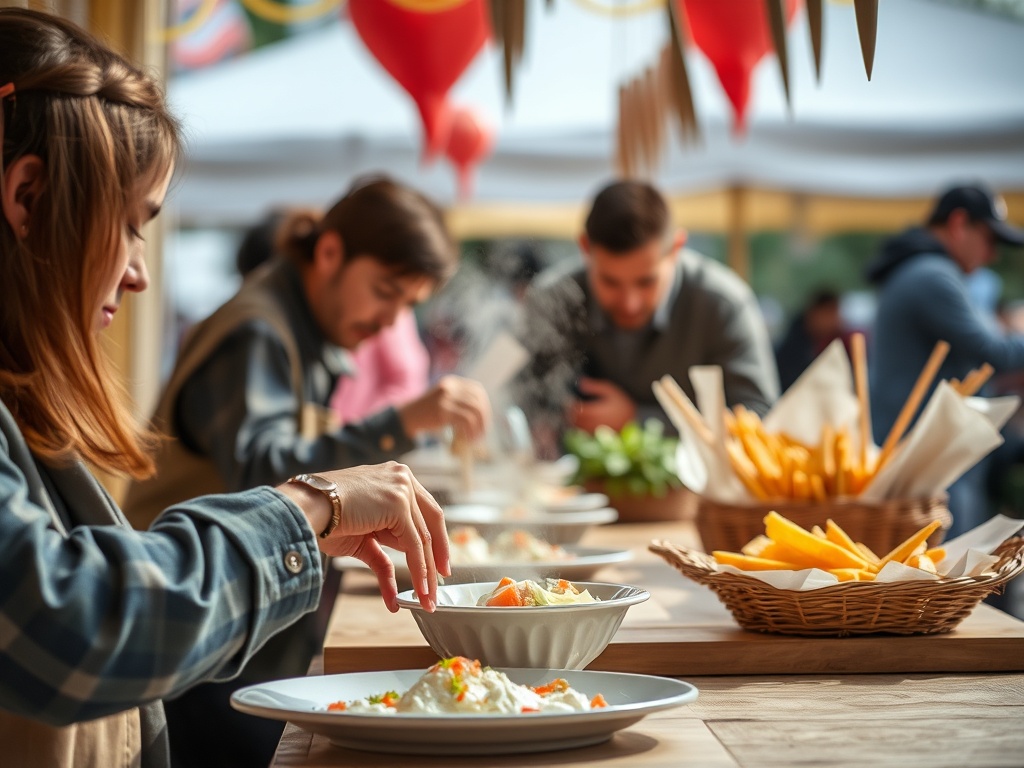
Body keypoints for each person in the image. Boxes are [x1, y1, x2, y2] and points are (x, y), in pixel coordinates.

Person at [0, 8, 447, 768]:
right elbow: (74, 619)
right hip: (198, 669)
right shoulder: (258, 330)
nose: (138, 271)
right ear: (29, 197)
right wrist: (316, 501)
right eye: (132, 223)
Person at [122, 175, 489, 766]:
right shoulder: (257, 331)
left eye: (406, 305)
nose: (389, 319)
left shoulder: (294, 324)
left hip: (222, 624)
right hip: (184, 637)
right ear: (329, 252)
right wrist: (400, 422)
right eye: (384, 291)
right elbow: (263, 472)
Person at [514, 179, 778, 454]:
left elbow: (760, 418)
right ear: (584, 247)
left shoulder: (723, 304)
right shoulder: (552, 301)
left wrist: (636, 420)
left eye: (646, 282)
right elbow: (518, 401)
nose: (630, 303)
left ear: (676, 248)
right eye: (610, 282)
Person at [866, 182, 1024, 538]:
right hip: (930, 465)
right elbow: (993, 350)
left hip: (922, 455)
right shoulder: (932, 276)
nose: (992, 255)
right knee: (942, 580)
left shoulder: (918, 271)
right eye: (990, 239)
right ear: (958, 224)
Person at [234, 208, 432, 424]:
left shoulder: (380, 309)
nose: (392, 320)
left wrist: (361, 434)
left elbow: (407, 378)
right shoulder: (265, 327)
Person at [774, 288, 851, 392]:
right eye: (831, 313)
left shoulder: (831, 341)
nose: (837, 321)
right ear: (815, 313)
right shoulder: (792, 351)